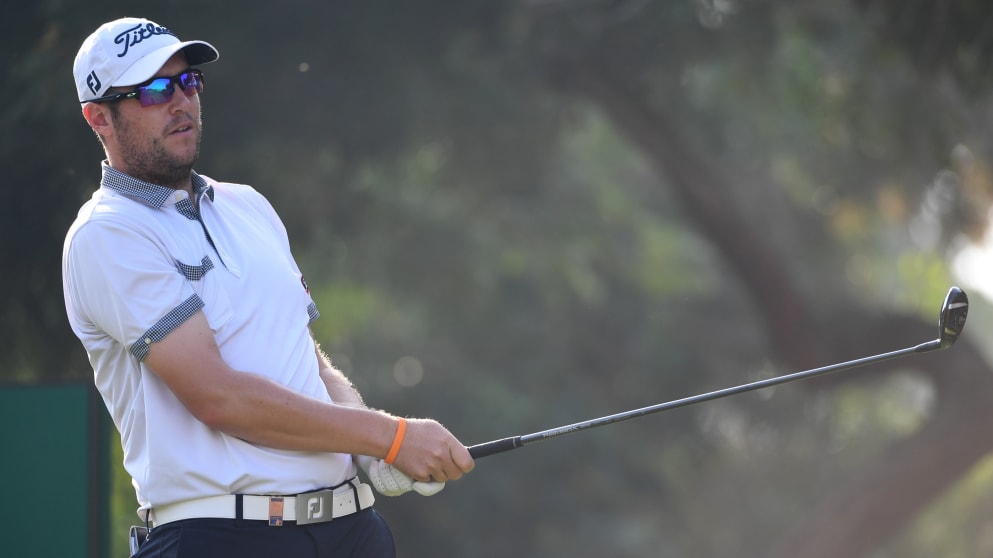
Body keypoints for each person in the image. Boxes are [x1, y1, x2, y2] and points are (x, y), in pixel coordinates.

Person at [62, 17, 474, 557]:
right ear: (99, 118)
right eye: (155, 91)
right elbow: (218, 397)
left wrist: (373, 454)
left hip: (353, 532)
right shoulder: (107, 234)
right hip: (223, 538)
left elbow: (311, 366)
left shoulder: (248, 205)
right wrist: (390, 436)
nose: (180, 101)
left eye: (188, 82)